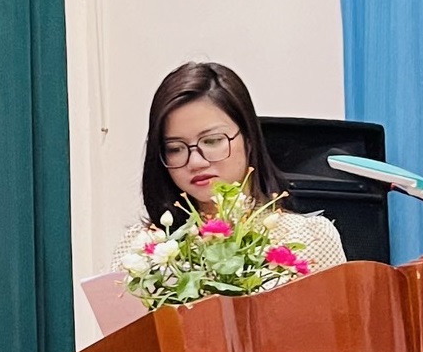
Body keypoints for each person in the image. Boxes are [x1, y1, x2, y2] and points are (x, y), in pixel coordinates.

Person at [110, 61, 347, 275]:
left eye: (212, 141)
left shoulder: (311, 239)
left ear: (249, 139)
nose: (196, 162)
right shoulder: (140, 250)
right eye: (175, 148)